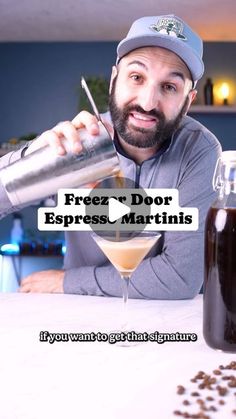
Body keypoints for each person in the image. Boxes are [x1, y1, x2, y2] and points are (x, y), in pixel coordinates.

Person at [0, 14, 221, 298]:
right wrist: (30, 157)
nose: (147, 102)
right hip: (78, 314)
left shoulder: (199, 151)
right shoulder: (81, 140)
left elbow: (179, 277)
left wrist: (67, 282)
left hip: (160, 319)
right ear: (115, 78)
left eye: (169, 87)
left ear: (187, 101)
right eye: (137, 77)